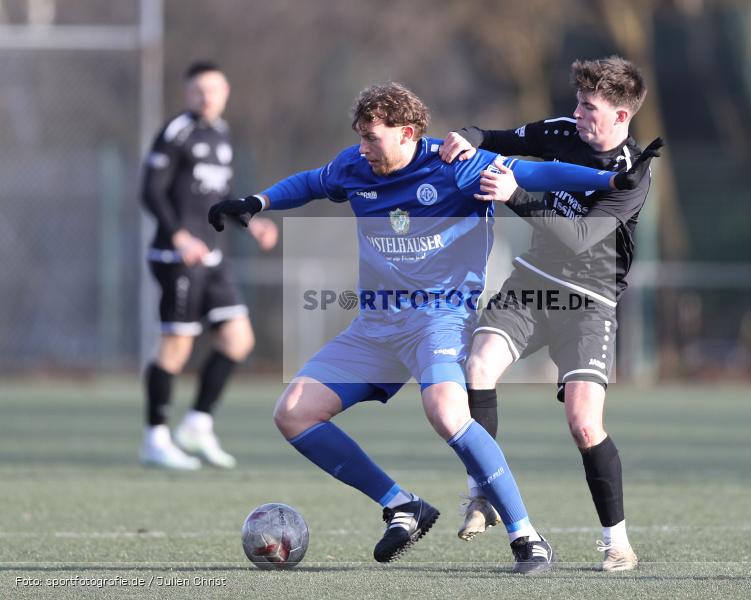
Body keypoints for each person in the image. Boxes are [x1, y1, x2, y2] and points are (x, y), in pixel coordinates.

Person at [208, 82, 655, 572]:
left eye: (372, 137)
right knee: (292, 412)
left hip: (439, 320)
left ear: (408, 133)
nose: (363, 148)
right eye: (359, 136)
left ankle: (526, 536)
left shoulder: (456, 164)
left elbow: (539, 170)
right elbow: (313, 182)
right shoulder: (354, 166)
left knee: (445, 408)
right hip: (376, 323)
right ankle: (402, 506)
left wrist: (610, 183)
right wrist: (257, 201)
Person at [439, 56, 663, 572]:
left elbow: (581, 238)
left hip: (589, 302)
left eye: (590, 107)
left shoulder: (630, 176)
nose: (578, 114)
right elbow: (493, 136)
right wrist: (465, 137)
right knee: (477, 367)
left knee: (584, 425)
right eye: (579, 103)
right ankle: (482, 494)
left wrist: (516, 196)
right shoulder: (560, 132)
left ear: (622, 117)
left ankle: (616, 542)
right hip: (532, 283)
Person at [140, 61, 279, 470]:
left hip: (212, 257)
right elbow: (151, 191)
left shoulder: (222, 134)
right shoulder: (176, 132)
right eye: (199, 90)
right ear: (188, 93)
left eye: (214, 89)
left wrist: (251, 224)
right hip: (176, 257)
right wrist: (178, 236)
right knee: (176, 346)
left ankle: (197, 425)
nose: (207, 97)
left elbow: (221, 197)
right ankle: (155, 437)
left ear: (226, 92)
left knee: (238, 340)